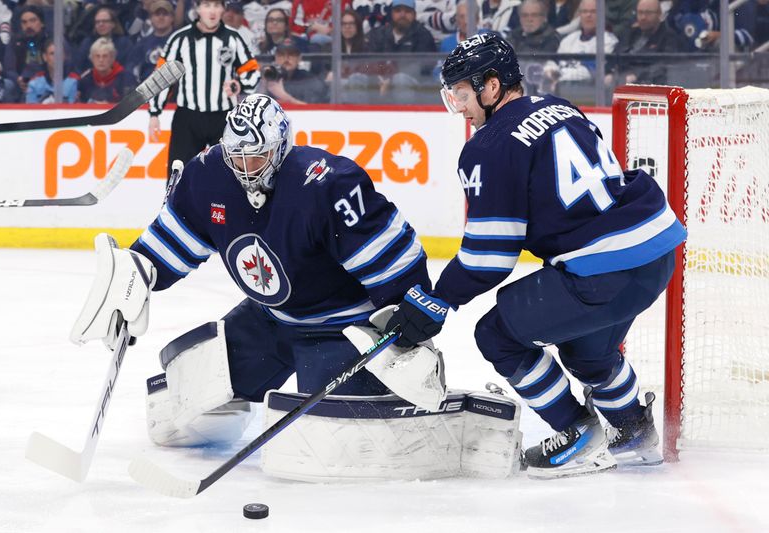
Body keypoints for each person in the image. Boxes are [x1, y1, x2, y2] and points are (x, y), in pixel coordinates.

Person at [382, 32, 687, 479]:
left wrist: (436, 299)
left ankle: (575, 431)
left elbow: (490, 257)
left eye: (463, 94)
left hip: (601, 271)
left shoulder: (488, 147)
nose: (459, 107)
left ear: (492, 86)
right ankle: (634, 433)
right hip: (655, 255)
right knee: (589, 351)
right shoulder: (562, 106)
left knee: (496, 335)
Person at [70, 94, 436, 453]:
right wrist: (134, 281)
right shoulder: (208, 175)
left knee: (329, 442)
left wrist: (412, 307)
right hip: (269, 321)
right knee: (174, 417)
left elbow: (392, 258)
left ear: (279, 149)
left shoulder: (325, 185)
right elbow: (168, 246)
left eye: (256, 156)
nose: (245, 168)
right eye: (236, 157)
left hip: (339, 328)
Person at [148, 0, 260, 180]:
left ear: (223, 8)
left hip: (224, 117)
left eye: (217, 5)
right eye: (207, 5)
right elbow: (162, 77)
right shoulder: (180, 38)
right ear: (198, 8)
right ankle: (175, 208)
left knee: (230, 175)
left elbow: (252, 72)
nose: (212, 11)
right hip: (188, 117)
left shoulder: (233, 38)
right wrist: (154, 113)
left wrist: (240, 84)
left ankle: (228, 209)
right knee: (179, 173)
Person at [605, 0, 685, 86]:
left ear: (659, 14)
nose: (643, 17)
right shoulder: (630, 33)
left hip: (649, 87)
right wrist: (608, 72)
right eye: (640, 12)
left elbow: (664, 66)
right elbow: (614, 56)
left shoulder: (669, 37)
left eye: (648, 13)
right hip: (620, 82)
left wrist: (637, 75)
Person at [125, 0, 176, 83]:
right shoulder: (141, 44)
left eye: (165, 14)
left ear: (172, 18)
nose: (161, 17)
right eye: (157, 14)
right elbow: (131, 70)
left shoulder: (180, 41)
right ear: (151, 18)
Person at [261, 42, 328, 104]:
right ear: (276, 58)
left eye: (291, 55)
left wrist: (286, 98)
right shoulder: (269, 78)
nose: (286, 59)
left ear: (299, 58)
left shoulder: (310, 80)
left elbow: (316, 111)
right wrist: (263, 84)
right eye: (281, 55)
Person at [77, 37, 135, 103]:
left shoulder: (126, 79)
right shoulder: (85, 80)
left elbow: (132, 105)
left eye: (105, 56)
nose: (101, 60)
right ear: (92, 59)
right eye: (97, 56)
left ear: (112, 58)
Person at [75, 6, 133, 73]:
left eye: (105, 21)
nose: (101, 24)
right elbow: (79, 66)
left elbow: (128, 66)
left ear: (113, 24)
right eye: (97, 22)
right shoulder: (87, 43)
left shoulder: (125, 43)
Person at [26, 39, 79, 103]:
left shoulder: (73, 81)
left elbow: (74, 109)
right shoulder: (34, 82)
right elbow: (30, 109)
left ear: (64, 57)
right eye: (52, 53)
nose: (56, 57)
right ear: (45, 57)